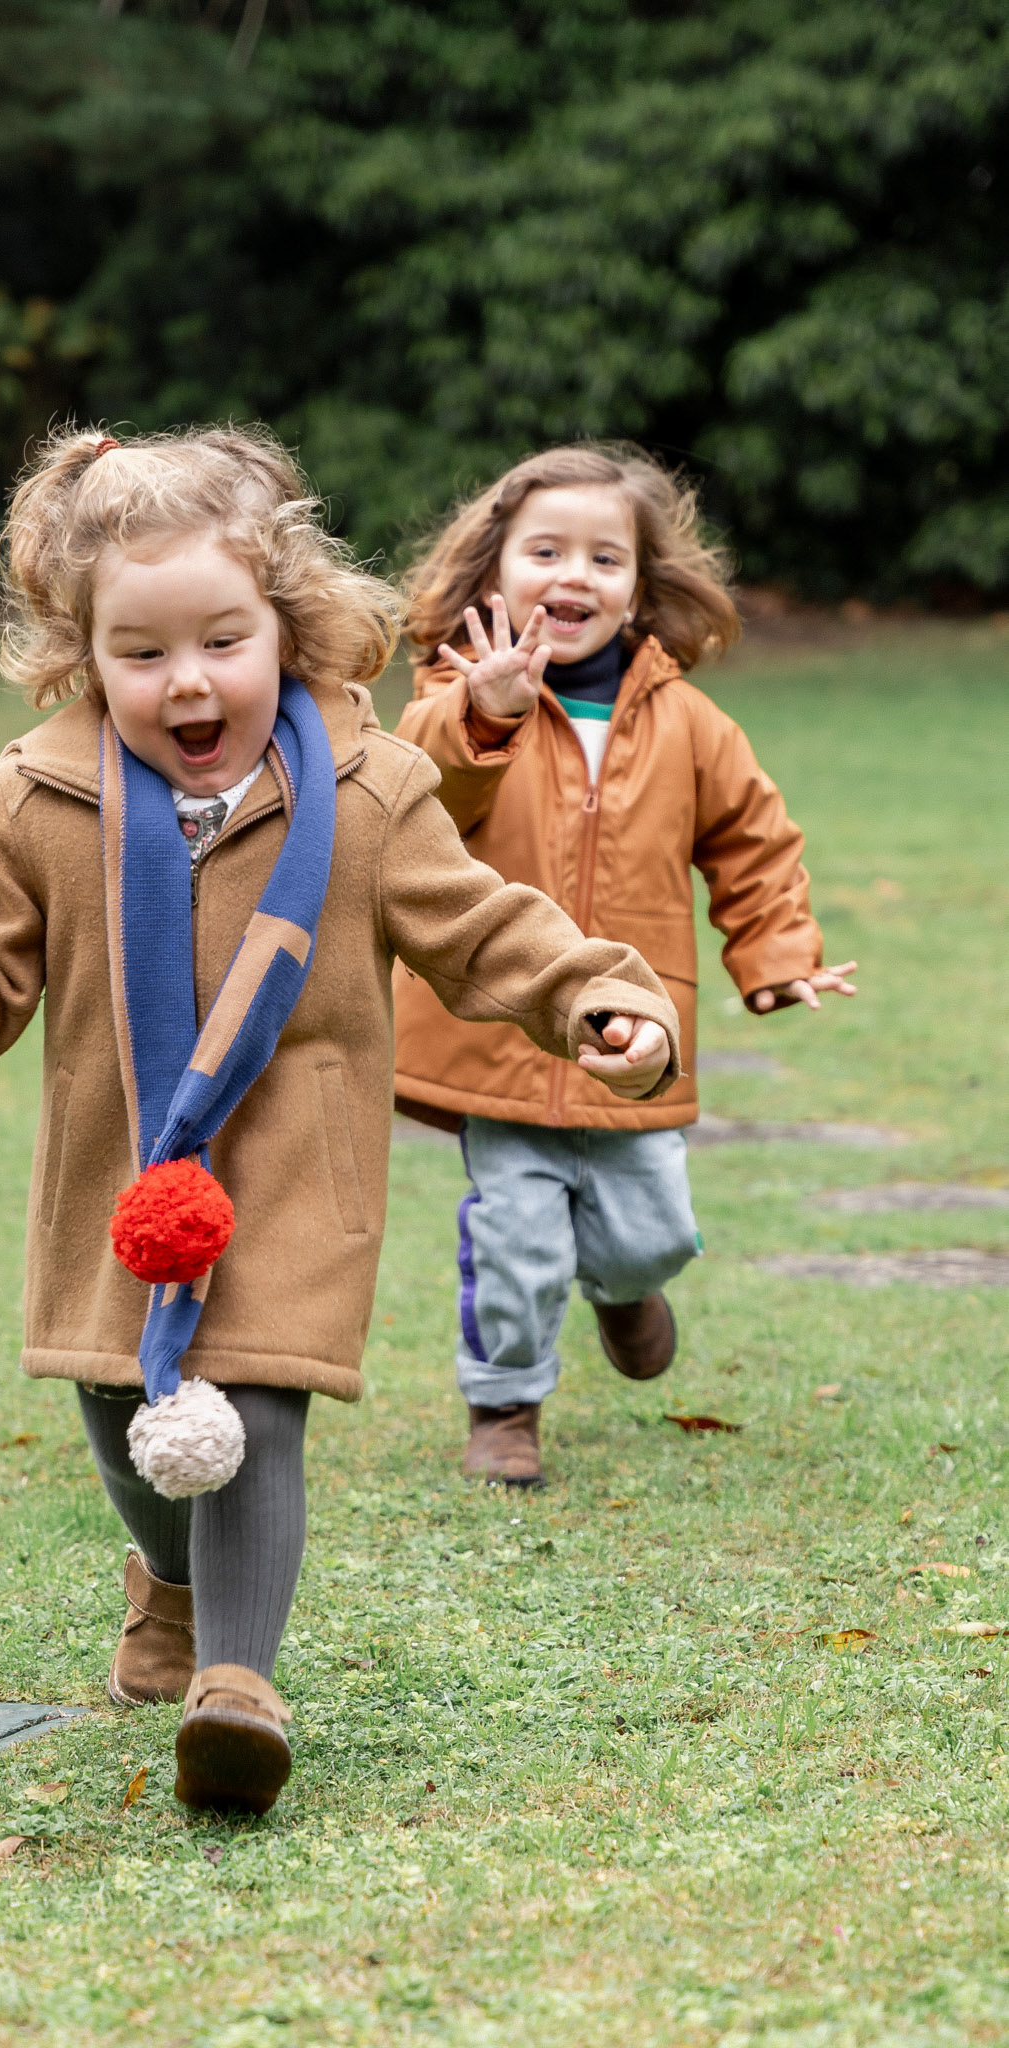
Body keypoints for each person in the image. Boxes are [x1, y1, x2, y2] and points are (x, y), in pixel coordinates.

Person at [0, 424, 681, 1816]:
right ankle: (170, 1585)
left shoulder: (374, 792)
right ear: (86, 657)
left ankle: (238, 1694)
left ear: (292, 627)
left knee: (251, 1415)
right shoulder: (44, 794)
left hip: (291, 1172)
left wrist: (593, 1001)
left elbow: (480, 929)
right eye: (140, 655)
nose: (187, 681)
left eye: (222, 640)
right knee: (125, 1412)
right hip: (118, 1169)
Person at [393, 442, 857, 1490]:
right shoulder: (455, 694)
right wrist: (488, 712)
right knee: (516, 1232)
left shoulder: (688, 720)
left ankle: (623, 1284)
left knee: (650, 1236)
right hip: (502, 1021)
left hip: (637, 1031)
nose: (574, 575)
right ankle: (504, 1404)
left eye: (606, 558)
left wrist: (777, 955)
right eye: (545, 550)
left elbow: (753, 841)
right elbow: (414, 807)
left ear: (642, 588)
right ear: (493, 572)